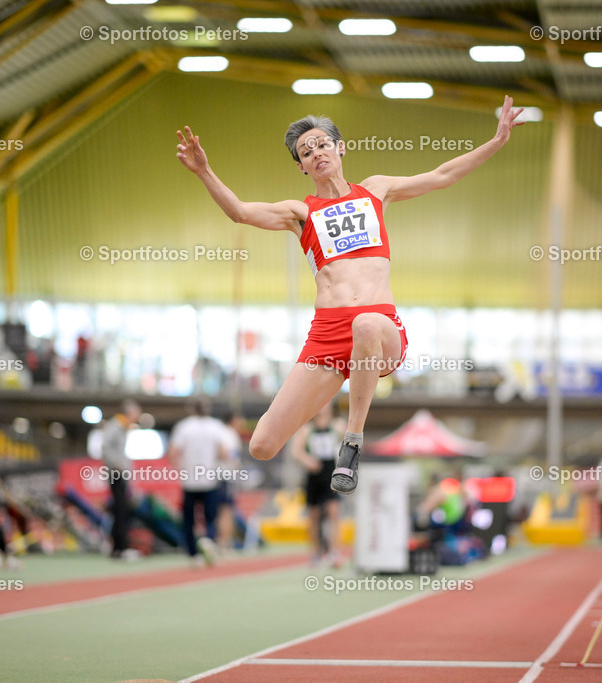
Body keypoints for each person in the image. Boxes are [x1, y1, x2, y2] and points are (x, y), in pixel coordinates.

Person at [176, 95, 526, 495]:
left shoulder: (376, 191)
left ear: (340, 148)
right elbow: (239, 211)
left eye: (323, 144)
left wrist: (497, 140)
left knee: (365, 323)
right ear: (300, 166)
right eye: (306, 152)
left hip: (380, 329)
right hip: (327, 335)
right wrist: (204, 171)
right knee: (262, 445)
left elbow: (443, 174)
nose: (317, 153)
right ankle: (330, 417)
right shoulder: (300, 213)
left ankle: (352, 441)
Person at [167, 398, 230, 565]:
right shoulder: (215, 426)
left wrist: (180, 468)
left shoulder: (184, 427)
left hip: (189, 480)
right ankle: (208, 540)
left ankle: (193, 554)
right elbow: (223, 452)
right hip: (209, 479)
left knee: (189, 519)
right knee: (210, 517)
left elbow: (173, 452)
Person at [290, 401, 345, 567]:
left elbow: (349, 444)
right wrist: (308, 461)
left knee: (333, 512)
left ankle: (334, 552)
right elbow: (296, 451)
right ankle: (315, 552)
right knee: (313, 516)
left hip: (331, 472)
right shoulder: (307, 429)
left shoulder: (337, 426)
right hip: (314, 476)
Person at [102, 399, 141, 560]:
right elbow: (105, 447)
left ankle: (117, 548)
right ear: (129, 413)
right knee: (121, 510)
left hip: (120, 473)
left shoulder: (123, 427)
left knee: (121, 510)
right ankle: (122, 548)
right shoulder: (115, 426)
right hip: (116, 473)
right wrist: (116, 464)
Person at [215, 412, 244, 552]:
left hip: (225, 476)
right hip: (225, 476)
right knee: (225, 510)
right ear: (233, 420)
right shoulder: (228, 434)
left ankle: (225, 541)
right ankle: (224, 542)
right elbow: (223, 453)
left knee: (225, 510)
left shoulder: (228, 434)